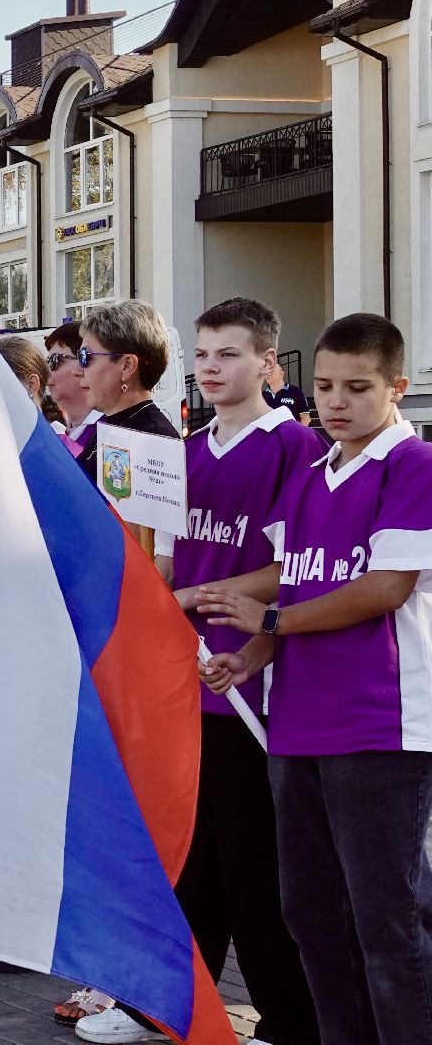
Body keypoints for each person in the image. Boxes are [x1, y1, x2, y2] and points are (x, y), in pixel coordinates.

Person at [64, 302, 327, 1044]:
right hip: (184, 682)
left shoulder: (292, 448)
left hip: (249, 684)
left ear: (268, 365)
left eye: (230, 355)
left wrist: (195, 601)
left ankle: (288, 1019)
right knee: (183, 855)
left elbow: (292, 569)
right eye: (203, 355)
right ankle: (164, 1002)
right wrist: (148, 598)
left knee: (255, 865)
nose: (211, 368)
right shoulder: (184, 449)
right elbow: (167, 557)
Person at [196, 314, 423, 1045]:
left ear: (397, 387)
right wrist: (249, 658)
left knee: (385, 920)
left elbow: (383, 587)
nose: (335, 401)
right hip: (294, 725)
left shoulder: (411, 466)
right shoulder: (309, 476)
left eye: (356, 388)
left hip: (378, 728)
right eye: (323, 385)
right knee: (311, 916)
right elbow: (292, 591)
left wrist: (267, 627)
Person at [76, 301, 180, 552]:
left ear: (127, 366)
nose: (78, 370)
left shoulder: (154, 438)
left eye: (86, 357)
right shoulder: (111, 425)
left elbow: (152, 551)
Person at [44, 323, 101, 455]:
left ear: (84, 363)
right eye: (47, 362)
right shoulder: (62, 429)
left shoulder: (108, 431)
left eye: (55, 360)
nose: (47, 370)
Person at [264, 361, 312, 427]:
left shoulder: (296, 391)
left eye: (271, 371)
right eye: (267, 371)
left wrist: (298, 436)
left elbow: (305, 418)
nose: (268, 374)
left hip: (291, 435)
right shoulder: (263, 396)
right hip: (270, 436)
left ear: (281, 373)